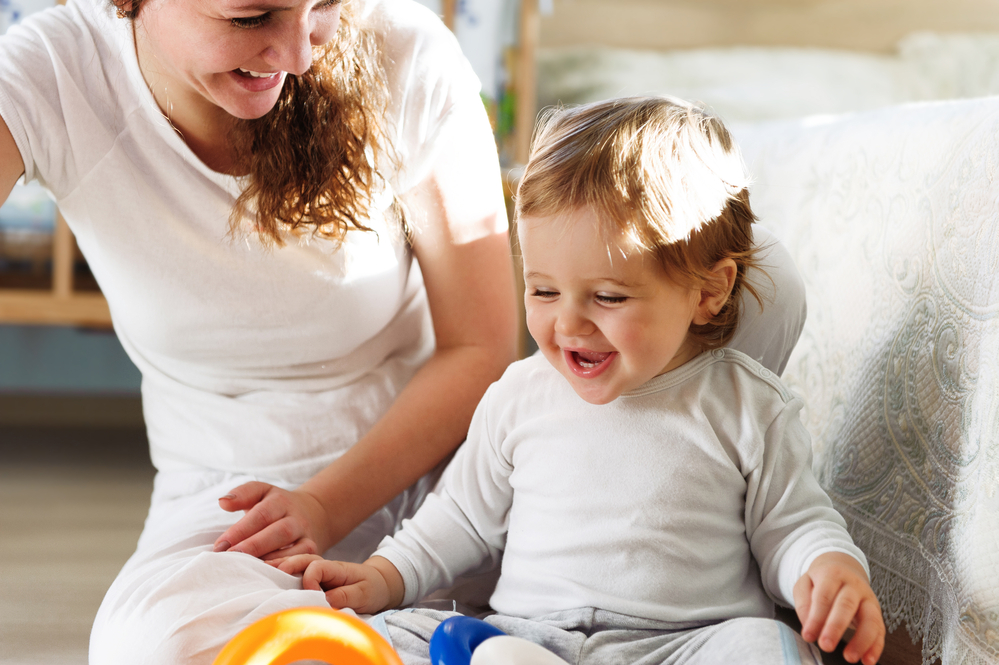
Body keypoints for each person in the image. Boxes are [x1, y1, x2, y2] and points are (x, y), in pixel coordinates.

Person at [0, 0, 802, 661]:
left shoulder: (406, 52)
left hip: (452, 476)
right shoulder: (53, 73)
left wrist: (327, 503)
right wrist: (300, 518)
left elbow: (478, 348)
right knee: (146, 643)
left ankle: (683, 550)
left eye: (321, 7)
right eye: (251, 18)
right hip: (241, 511)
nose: (298, 53)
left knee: (750, 268)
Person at [270, 96, 886, 665]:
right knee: (412, 636)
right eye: (542, 290)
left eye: (609, 296)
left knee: (764, 644)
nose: (568, 323)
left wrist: (827, 569)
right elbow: (460, 517)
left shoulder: (747, 405)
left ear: (709, 291)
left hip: (684, 646)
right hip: (536, 638)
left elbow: (793, 526)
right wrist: (383, 577)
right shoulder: (520, 396)